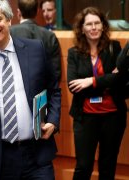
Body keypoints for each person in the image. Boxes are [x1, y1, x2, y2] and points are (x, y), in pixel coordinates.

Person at [0, 0, 61, 179]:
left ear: (9, 20)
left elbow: (53, 89)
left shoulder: (36, 49)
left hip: (36, 154)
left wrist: (53, 120)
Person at [67, 7, 128, 180]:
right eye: (89, 24)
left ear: (103, 26)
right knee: (83, 167)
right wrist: (108, 79)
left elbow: (120, 80)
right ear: (82, 28)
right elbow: (73, 86)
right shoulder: (74, 53)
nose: (93, 27)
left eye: (97, 23)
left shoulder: (114, 48)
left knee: (107, 167)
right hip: (85, 117)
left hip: (113, 117)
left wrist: (90, 81)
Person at [10, 0, 62, 81]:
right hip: (43, 90)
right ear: (37, 12)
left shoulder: (9, 32)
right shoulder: (50, 35)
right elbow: (55, 72)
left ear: (18, 12)